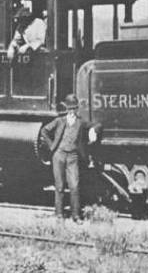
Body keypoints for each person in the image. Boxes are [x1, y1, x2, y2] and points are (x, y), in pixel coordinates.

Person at [41, 94, 101, 222]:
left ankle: (76, 216)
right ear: (66, 109)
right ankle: (59, 215)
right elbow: (44, 131)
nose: (72, 111)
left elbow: (97, 124)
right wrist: (52, 147)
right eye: (70, 109)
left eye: (74, 108)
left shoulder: (80, 122)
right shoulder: (59, 121)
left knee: (74, 186)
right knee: (60, 186)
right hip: (59, 156)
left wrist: (93, 131)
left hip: (73, 157)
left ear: (77, 109)